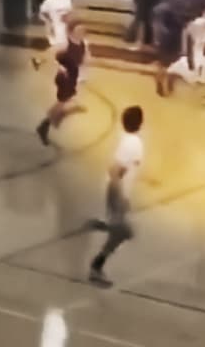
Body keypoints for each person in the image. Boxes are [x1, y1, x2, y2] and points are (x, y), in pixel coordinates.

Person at [86, 105, 147, 287]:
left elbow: (124, 168)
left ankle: (108, 223)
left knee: (123, 230)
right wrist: (120, 197)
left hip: (116, 190)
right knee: (122, 232)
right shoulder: (134, 143)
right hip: (116, 191)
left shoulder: (127, 139)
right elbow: (115, 171)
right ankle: (96, 267)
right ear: (140, 123)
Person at [36, 21, 90, 145]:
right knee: (61, 103)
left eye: (82, 30)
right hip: (64, 78)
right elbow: (53, 55)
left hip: (72, 77)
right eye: (78, 30)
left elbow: (85, 61)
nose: (80, 32)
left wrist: (83, 75)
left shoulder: (84, 44)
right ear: (72, 32)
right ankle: (44, 125)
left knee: (65, 101)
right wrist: (60, 66)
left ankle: (52, 121)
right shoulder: (65, 43)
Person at [151, 0, 187, 96]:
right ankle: (168, 85)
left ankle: (163, 84)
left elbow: (157, 26)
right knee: (171, 65)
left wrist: (157, 39)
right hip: (172, 40)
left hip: (168, 40)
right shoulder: (179, 12)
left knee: (164, 65)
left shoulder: (161, 9)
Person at [32, 0, 73, 70]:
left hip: (64, 26)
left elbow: (69, 12)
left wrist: (69, 21)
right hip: (54, 27)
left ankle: (39, 60)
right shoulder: (49, 1)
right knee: (60, 46)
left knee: (62, 47)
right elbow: (42, 14)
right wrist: (49, 23)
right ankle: (40, 59)